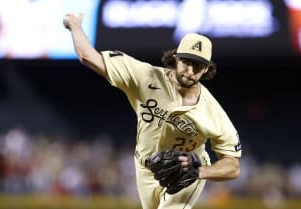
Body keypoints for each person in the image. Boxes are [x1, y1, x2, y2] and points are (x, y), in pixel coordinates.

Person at [63, 12, 242, 209]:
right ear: (175, 57)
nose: (190, 71)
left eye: (197, 66)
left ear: (207, 69)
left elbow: (233, 166)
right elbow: (88, 56)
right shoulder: (145, 77)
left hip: (185, 172)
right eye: (186, 62)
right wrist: (74, 24)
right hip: (144, 167)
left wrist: (199, 171)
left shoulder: (212, 111)